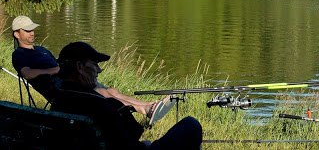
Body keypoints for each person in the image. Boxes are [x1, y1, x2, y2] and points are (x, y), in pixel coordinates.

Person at [11, 15, 170, 124]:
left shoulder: (41, 49)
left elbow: (59, 63)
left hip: (70, 78)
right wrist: (54, 70)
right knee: (104, 94)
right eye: (27, 30)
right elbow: (26, 73)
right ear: (17, 34)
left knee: (111, 90)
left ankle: (148, 106)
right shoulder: (19, 54)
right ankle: (144, 109)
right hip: (59, 89)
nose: (32, 33)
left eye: (32, 29)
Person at [52, 41, 202, 149]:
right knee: (191, 125)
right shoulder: (104, 105)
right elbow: (131, 139)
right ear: (80, 67)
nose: (99, 70)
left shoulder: (58, 101)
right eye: (95, 64)